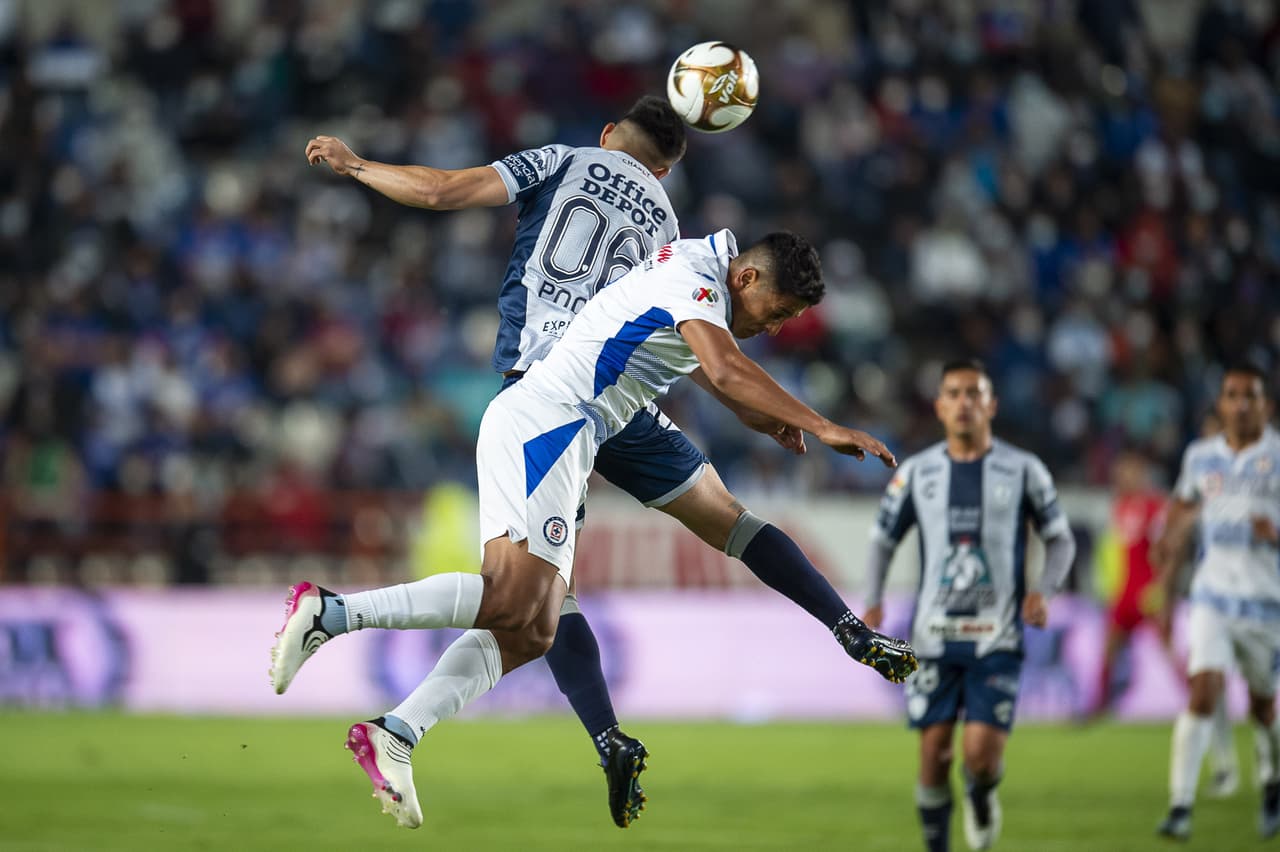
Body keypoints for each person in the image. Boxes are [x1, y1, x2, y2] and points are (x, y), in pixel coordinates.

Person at [295, 96, 907, 828]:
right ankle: (334, 615)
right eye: (774, 314)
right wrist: (816, 422)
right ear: (665, 167)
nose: (773, 329)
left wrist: (358, 164)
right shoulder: (675, 241)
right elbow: (722, 367)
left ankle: (842, 633)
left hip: (582, 398)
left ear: (611, 134)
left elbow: (440, 191)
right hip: (559, 408)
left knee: (579, 594)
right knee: (529, 606)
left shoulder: (581, 176)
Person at [861, 359, 1076, 852]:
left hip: (996, 636)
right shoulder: (917, 473)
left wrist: (1045, 589)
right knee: (934, 755)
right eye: (953, 394)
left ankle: (981, 794)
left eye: (973, 394)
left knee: (980, 756)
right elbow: (881, 541)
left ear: (991, 405)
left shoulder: (1024, 470)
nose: (963, 403)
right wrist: (872, 599)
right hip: (933, 637)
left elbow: (1061, 540)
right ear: (939, 406)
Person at [1152, 364, 1280, 841]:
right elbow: (1183, 509)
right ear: (1222, 404)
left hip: (1265, 604)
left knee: (1263, 709)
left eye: (1252, 395)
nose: (1242, 404)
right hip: (1211, 597)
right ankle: (1180, 807)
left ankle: (1271, 784)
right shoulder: (1201, 457)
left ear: (1265, 405)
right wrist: (1167, 547)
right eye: (1233, 395)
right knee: (1202, 690)